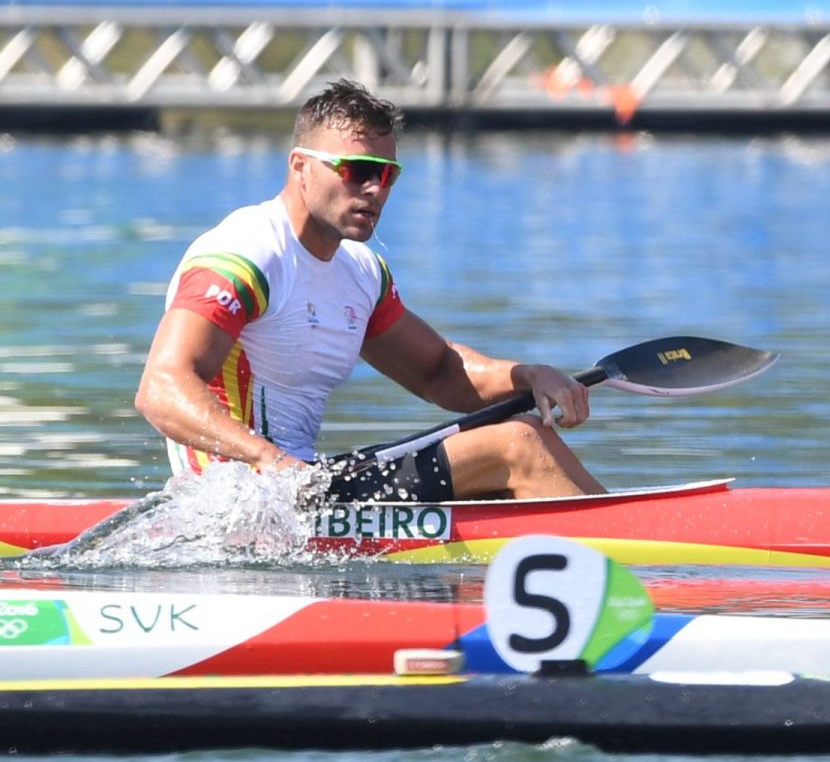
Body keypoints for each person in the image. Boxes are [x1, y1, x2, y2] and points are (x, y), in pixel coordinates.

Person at [135, 79, 607, 502]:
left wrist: (531, 376)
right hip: (240, 498)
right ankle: (649, 569)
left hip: (309, 486)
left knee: (510, 445)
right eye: (357, 170)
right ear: (300, 167)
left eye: (387, 174)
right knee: (517, 444)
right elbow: (160, 388)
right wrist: (267, 459)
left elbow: (440, 372)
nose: (375, 190)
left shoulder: (360, 272)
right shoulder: (246, 255)